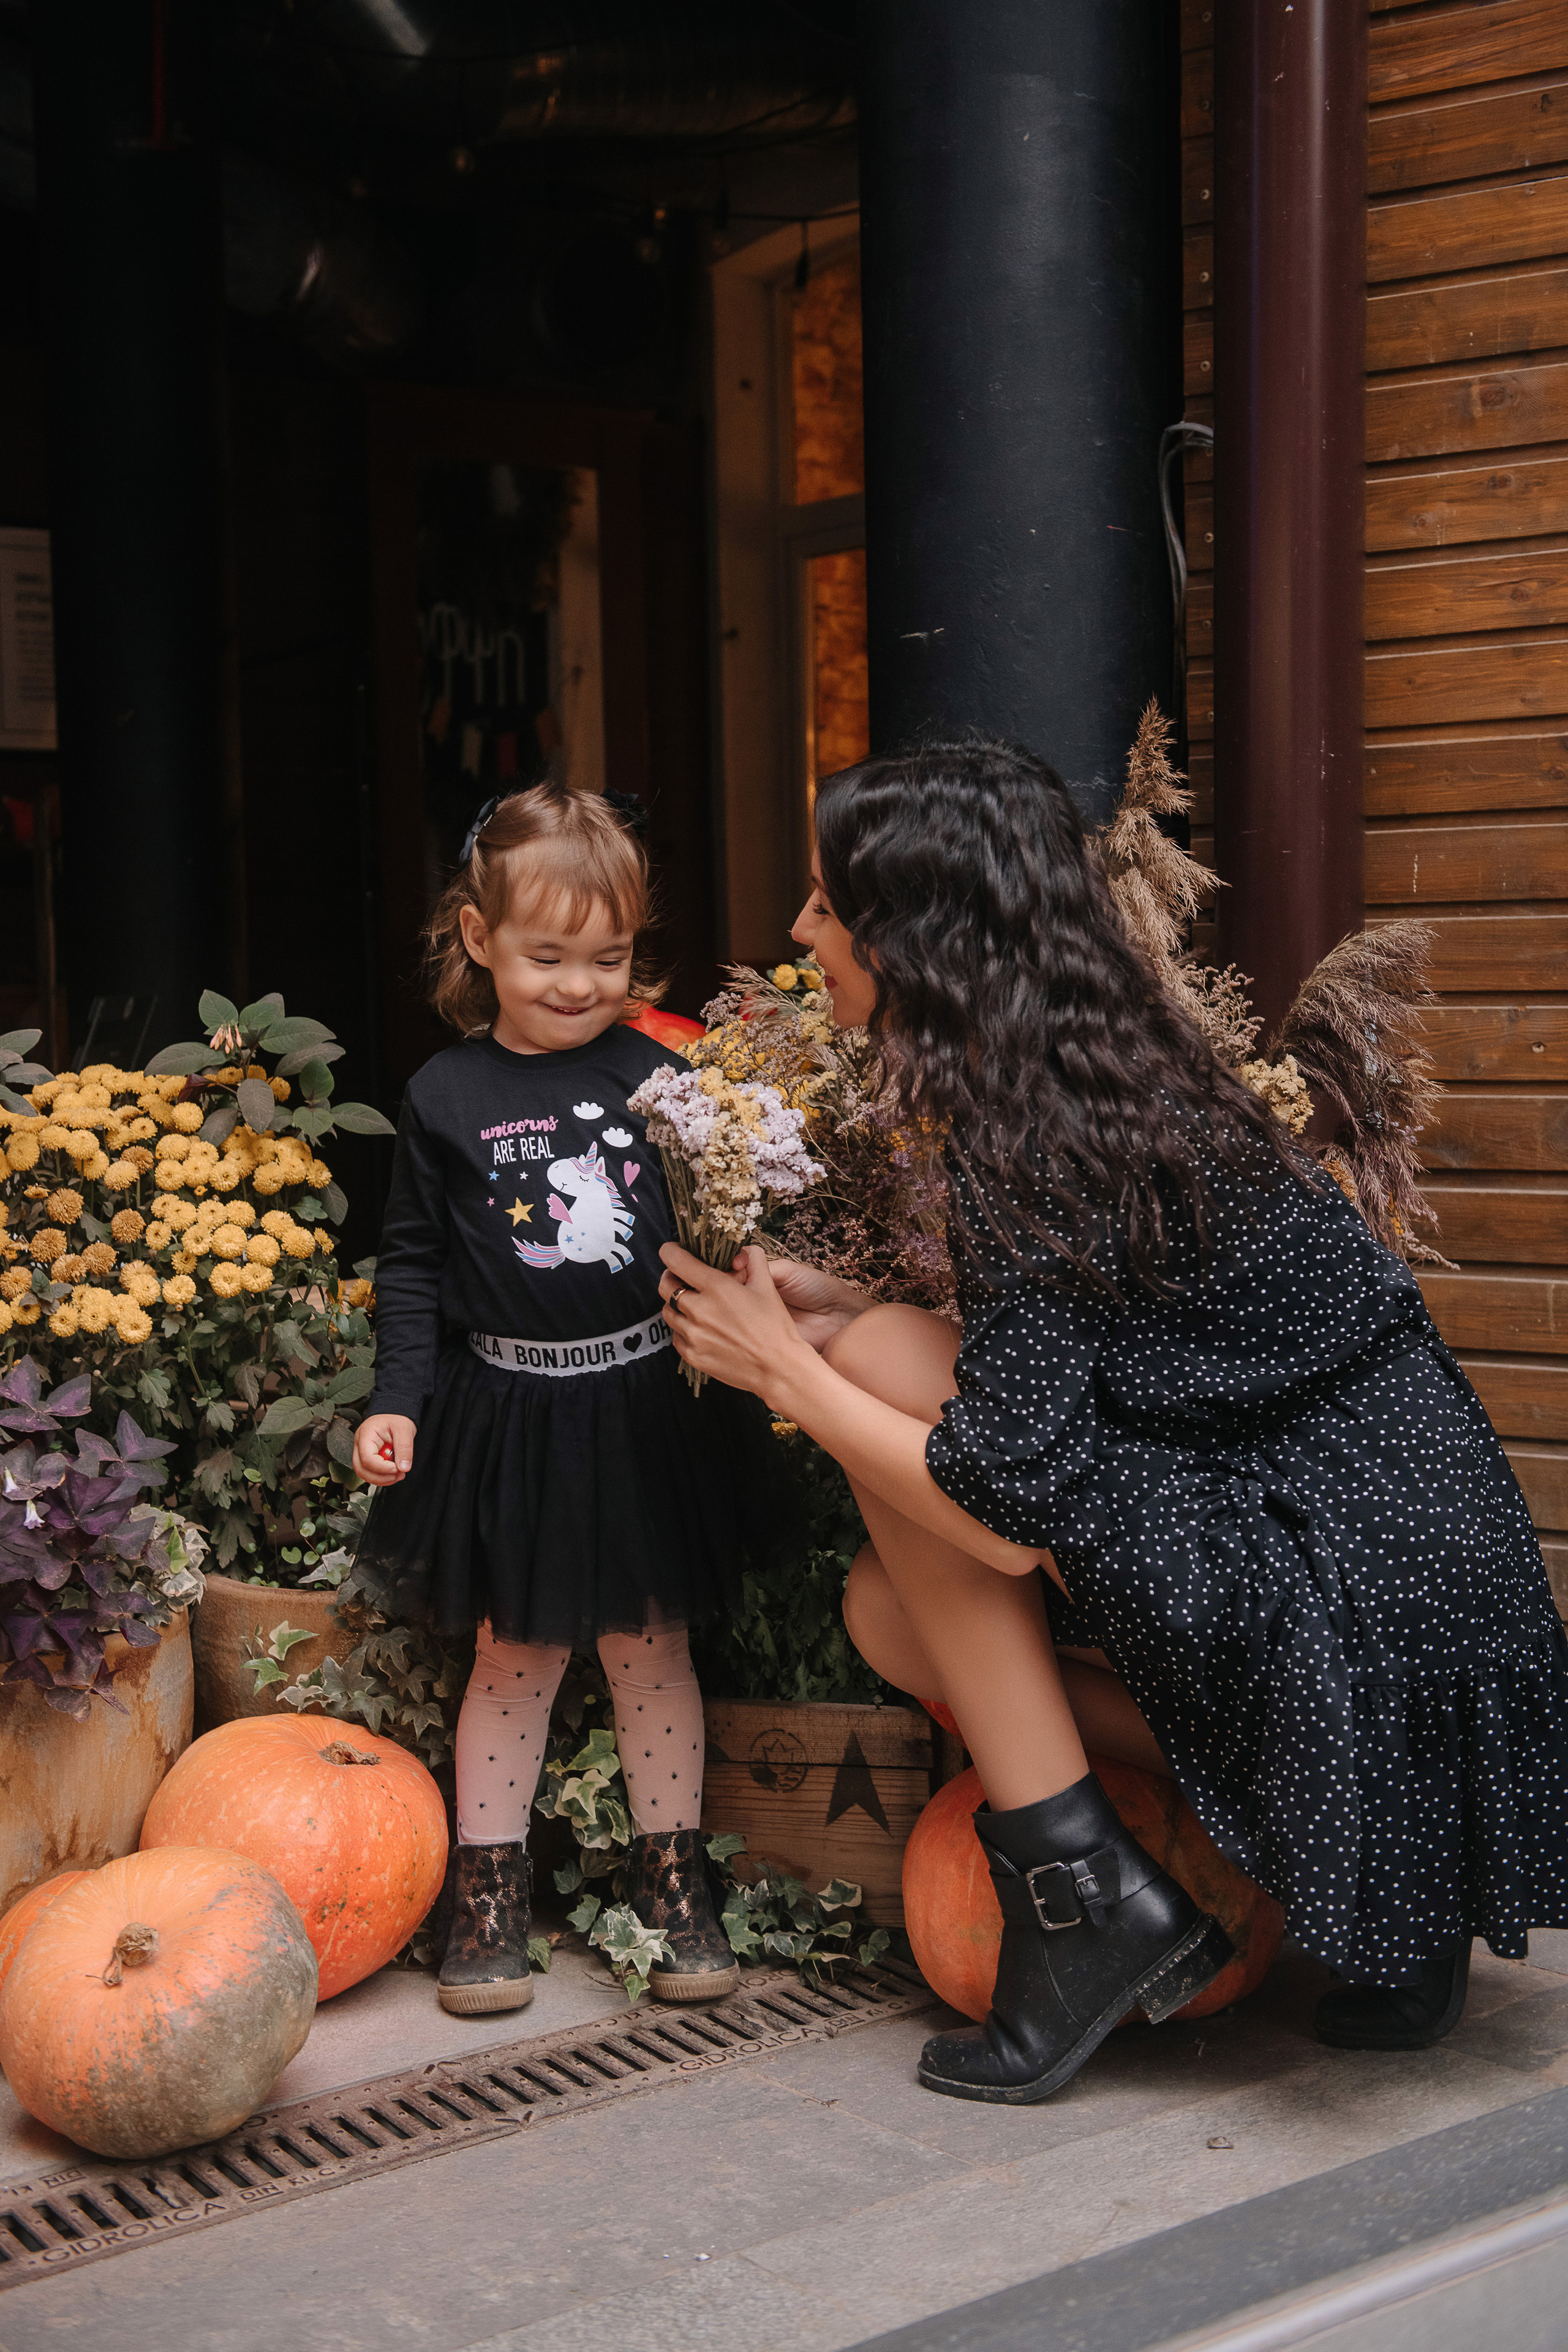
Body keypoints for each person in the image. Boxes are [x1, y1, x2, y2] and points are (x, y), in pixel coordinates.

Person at [655, 737, 1568, 2108]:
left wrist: (785, 1371)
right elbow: (1107, 1374)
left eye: (826, 905)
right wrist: (835, 1310)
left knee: (887, 1404)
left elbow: (1007, 1513)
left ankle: (1081, 1902)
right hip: (1395, 1576)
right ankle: (1365, 1849)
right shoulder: (1087, 1073)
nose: (798, 934)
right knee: (886, 1590)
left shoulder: (1025, 1137)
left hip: (1343, 1577)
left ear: (920, 936)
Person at [353, 780, 788, 2016]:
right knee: (514, 1655)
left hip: (644, 1406)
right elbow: (415, 1265)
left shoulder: (659, 1075)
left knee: (652, 1649)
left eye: (607, 957)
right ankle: (485, 1901)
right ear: (479, 938)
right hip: (510, 1417)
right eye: (546, 955)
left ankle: (673, 1882)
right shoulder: (443, 1097)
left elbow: (719, 1214)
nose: (579, 982)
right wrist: (399, 1401)